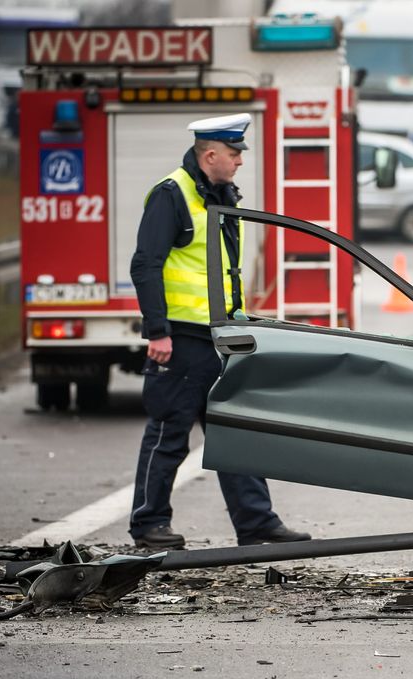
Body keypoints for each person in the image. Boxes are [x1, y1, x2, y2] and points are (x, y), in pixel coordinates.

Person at [127, 113, 311, 550]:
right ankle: (149, 524)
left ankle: (256, 523)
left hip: (222, 336)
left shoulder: (221, 194)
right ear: (210, 155)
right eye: (234, 154)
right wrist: (157, 332)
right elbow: (146, 265)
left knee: (235, 433)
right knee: (169, 433)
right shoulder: (172, 195)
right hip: (183, 337)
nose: (240, 162)